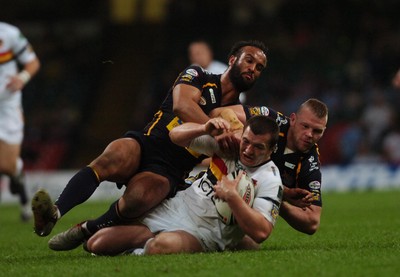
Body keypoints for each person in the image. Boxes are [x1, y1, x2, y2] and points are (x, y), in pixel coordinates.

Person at [32, 40, 268, 248]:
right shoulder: (197, 75)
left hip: (170, 169)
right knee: (114, 154)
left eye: (259, 68)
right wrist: (213, 128)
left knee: (139, 198)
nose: (253, 69)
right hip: (147, 143)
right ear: (231, 60)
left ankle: (88, 228)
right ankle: (55, 212)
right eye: (249, 60)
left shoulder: (238, 114)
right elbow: (182, 106)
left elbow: (252, 148)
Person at [84, 115, 283, 256]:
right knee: (96, 244)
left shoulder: (270, 179)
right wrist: (204, 128)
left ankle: (139, 250)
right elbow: (176, 136)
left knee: (158, 247)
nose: (248, 150)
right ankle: (237, 243)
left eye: (258, 147)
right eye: (246, 141)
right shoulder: (229, 145)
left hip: (204, 231)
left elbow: (261, 232)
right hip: (176, 207)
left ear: (272, 150)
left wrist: (232, 197)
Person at [210, 98, 328, 235]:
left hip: (239, 198)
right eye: (305, 126)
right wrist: (236, 130)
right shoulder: (271, 121)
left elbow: (312, 223)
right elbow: (221, 112)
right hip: (214, 181)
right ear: (293, 119)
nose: (309, 135)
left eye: (317, 131)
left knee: (249, 243)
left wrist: (276, 198)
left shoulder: (310, 163)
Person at [0, 22, 40, 221]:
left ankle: (19, 176)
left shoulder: (9, 33)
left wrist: (22, 78)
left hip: (7, 105)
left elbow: (33, 63)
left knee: (6, 166)